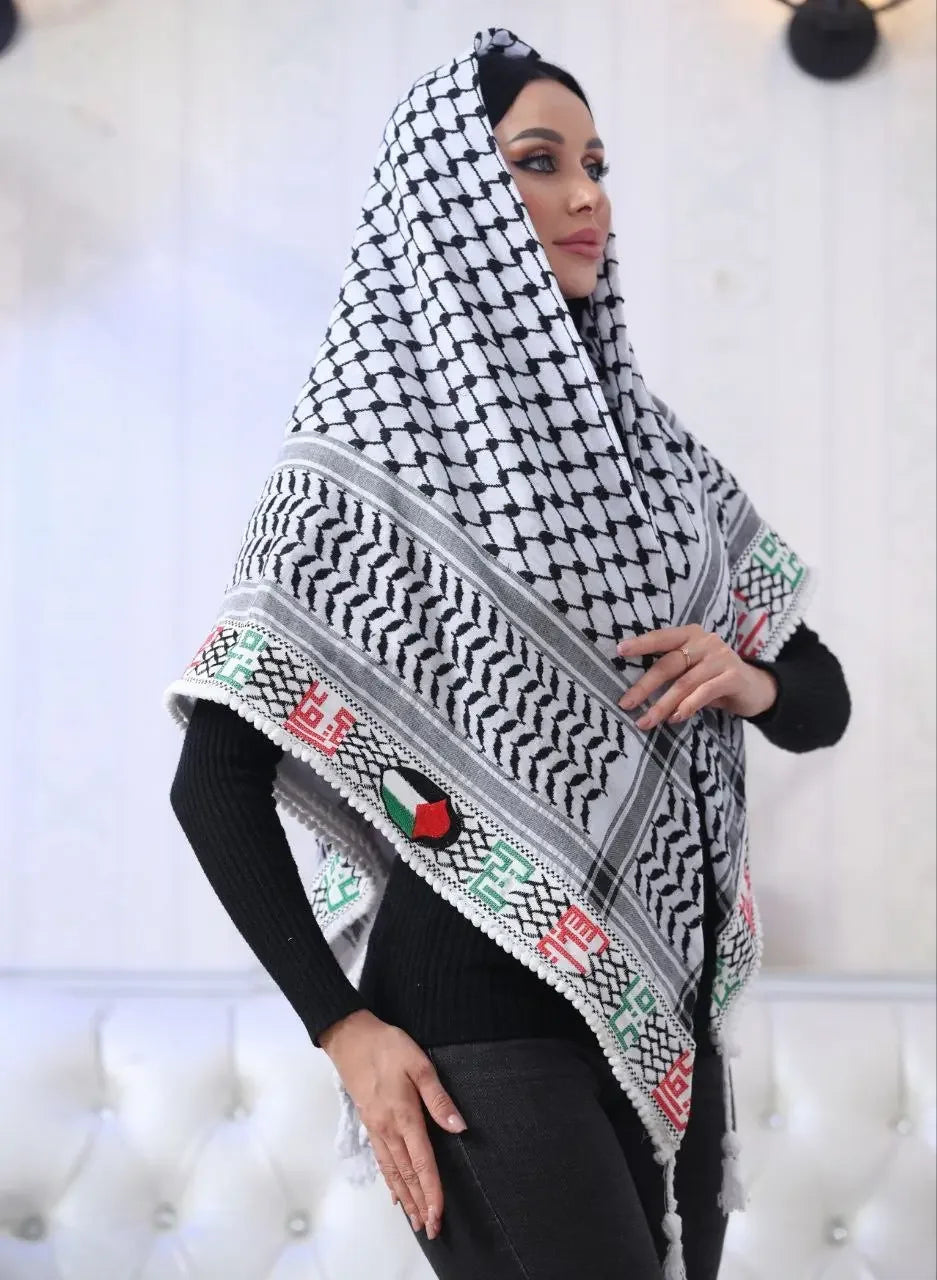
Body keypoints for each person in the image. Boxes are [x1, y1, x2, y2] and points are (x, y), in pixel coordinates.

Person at [167, 28, 850, 1280]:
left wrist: (745, 675)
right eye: (539, 162)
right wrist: (343, 1029)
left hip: (664, 1015)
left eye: (595, 163)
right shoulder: (358, 469)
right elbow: (210, 778)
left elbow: (820, 698)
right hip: (476, 1032)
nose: (587, 195)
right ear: (453, 202)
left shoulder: (658, 461)